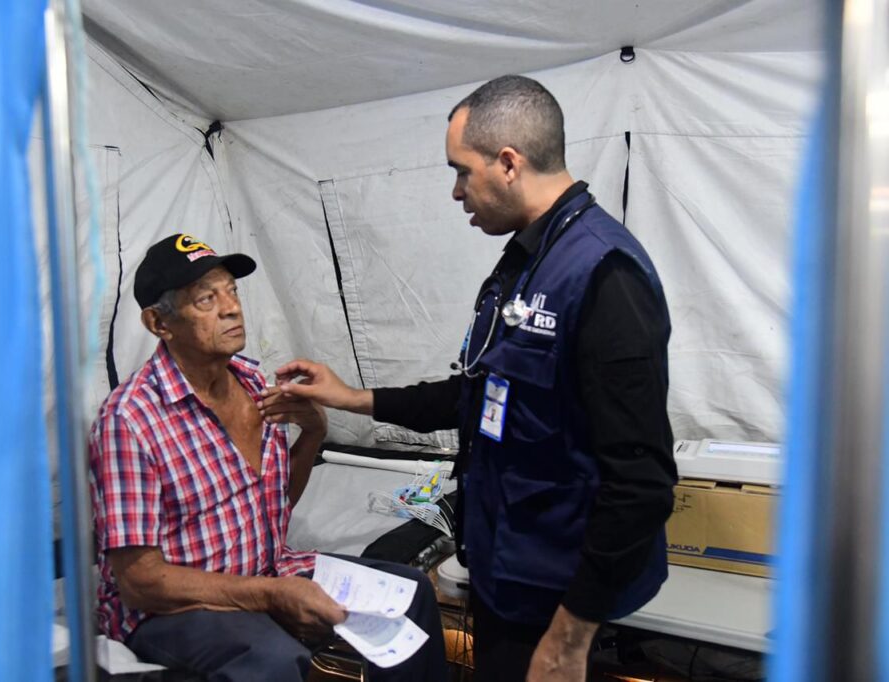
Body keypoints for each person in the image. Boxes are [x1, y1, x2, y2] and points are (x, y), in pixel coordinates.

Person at [260, 75, 677, 682]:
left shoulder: (602, 275)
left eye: (461, 170)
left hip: (554, 590)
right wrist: (351, 397)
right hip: (508, 567)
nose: (456, 191)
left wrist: (569, 637)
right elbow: (480, 396)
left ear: (508, 162)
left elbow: (641, 482)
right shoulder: (527, 261)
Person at [88, 233, 447, 682]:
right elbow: (140, 582)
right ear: (160, 323)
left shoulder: (256, 386)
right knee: (272, 659)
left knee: (410, 594)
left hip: (267, 568)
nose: (231, 308)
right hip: (174, 608)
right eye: (206, 299)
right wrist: (271, 595)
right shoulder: (130, 421)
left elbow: (272, 507)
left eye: (232, 291)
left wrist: (314, 432)